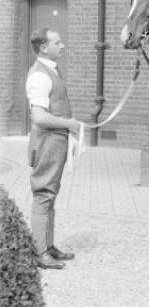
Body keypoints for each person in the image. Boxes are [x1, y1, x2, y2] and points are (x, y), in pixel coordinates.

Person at [26, 28, 81, 269]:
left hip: (55, 144)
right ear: (44, 47)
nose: (63, 46)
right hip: (47, 143)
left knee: (51, 194)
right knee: (43, 194)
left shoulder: (50, 70)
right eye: (58, 42)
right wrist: (70, 124)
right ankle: (39, 252)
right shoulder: (40, 75)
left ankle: (47, 246)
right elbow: (39, 117)